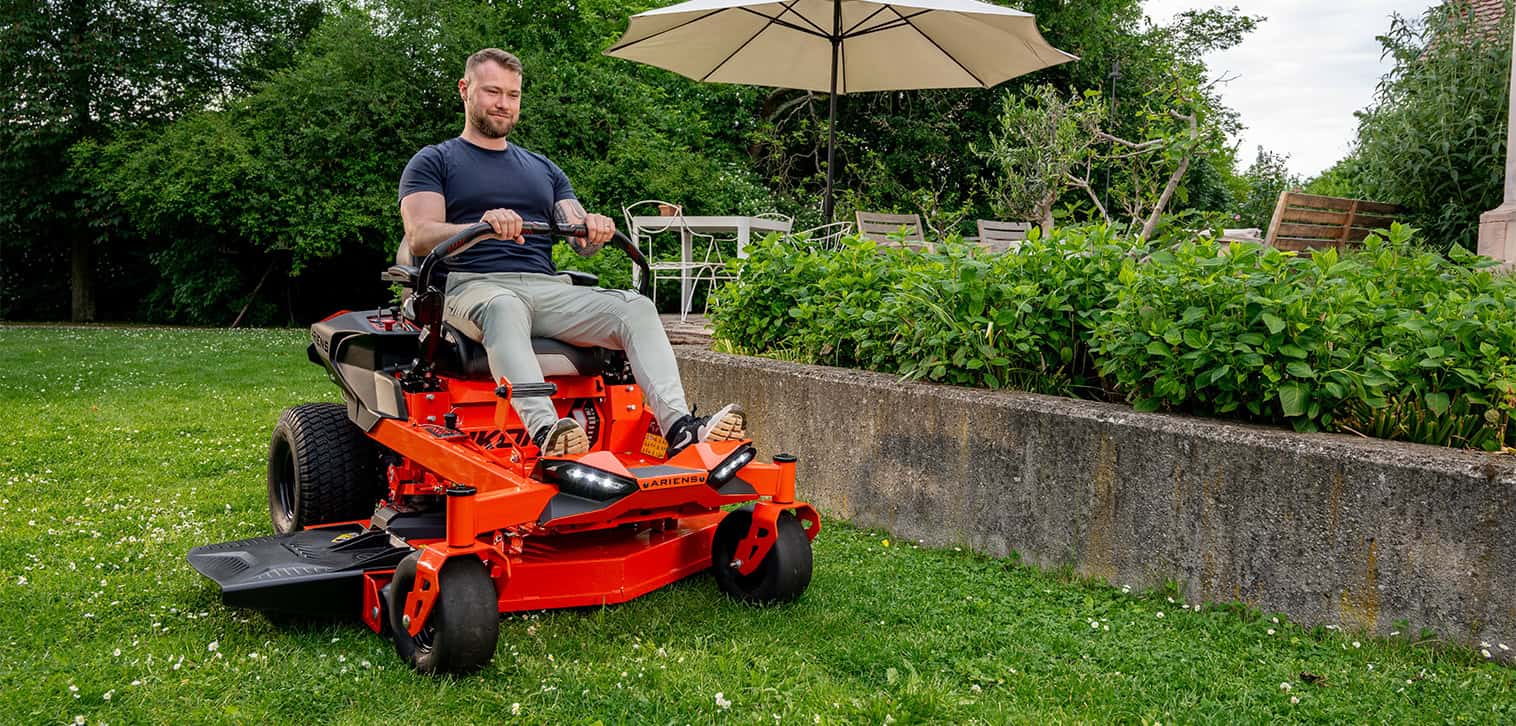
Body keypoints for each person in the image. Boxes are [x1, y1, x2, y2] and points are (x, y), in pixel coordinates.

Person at [398, 48, 745, 457]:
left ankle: (682, 429)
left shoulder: (543, 169)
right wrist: (480, 228)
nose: (504, 104)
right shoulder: (434, 161)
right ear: (465, 90)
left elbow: (578, 236)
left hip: (545, 287)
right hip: (469, 286)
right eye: (493, 92)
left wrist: (593, 228)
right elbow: (420, 235)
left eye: (513, 94)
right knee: (504, 306)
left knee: (635, 307)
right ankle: (549, 433)